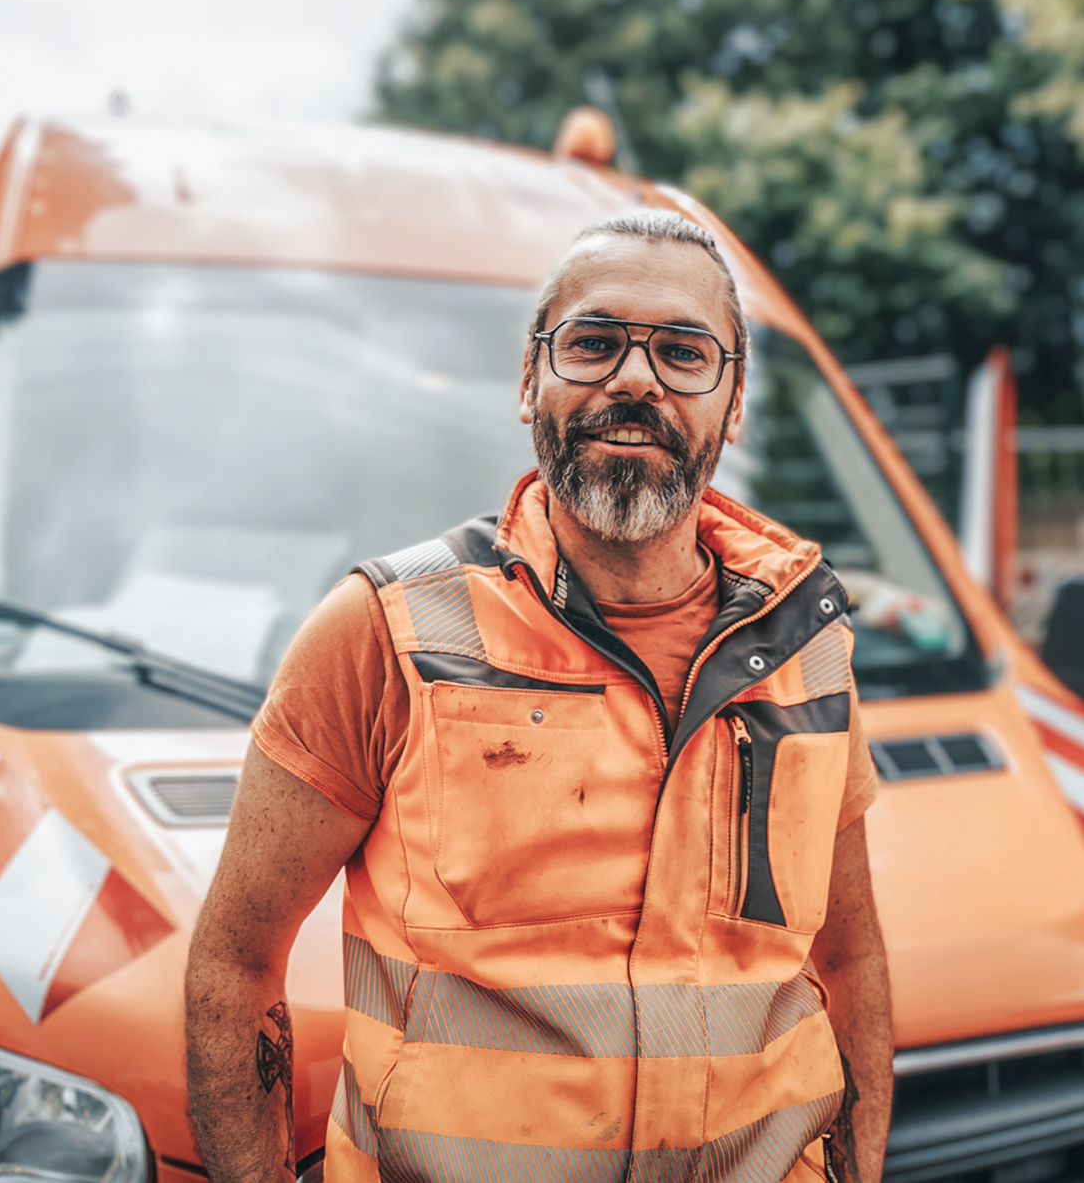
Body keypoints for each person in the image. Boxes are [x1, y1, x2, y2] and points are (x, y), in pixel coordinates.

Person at [185, 209, 893, 1183]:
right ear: (529, 381)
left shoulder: (808, 640)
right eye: (593, 342)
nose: (635, 379)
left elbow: (848, 963)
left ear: (732, 406)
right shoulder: (381, 634)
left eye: (684, 352)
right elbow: (232, 962)